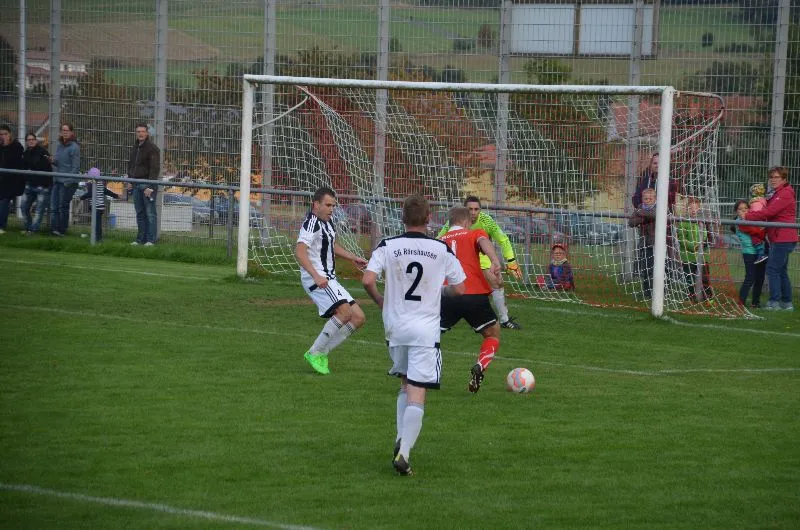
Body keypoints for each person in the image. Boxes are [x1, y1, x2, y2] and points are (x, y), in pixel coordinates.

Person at [363, 194, 466, 476]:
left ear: (403, 218)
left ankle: (401, 438)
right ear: (429, 218)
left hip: (395, 327)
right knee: (418, 390)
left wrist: (381, 300)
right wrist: (439, 291)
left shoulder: (388, 245)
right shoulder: (440, 248)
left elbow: (368, 280)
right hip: (425, 330)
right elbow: (460, 288)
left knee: (404, 382)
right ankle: (405, 453)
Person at [296, 186, 368, 375]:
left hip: (330, 278)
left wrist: (353, 258)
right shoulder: (311, 223)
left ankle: (321, 351)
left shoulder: (327, 223)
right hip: (317, 277)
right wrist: (316, 275)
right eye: (328, 205)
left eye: (333, 206)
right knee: (344, 312)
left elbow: (332, 245)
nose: (331, 209)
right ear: (316, 205)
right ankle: (315, 352)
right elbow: (300, 251)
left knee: (358, 318)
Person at [438, 206, 503, 394]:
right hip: (474, 293)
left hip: (447, 294)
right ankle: (480, 366)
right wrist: (494, 260)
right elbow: (484, 241)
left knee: (429, 336)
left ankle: (424, 374)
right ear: (466, 222)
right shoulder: (474, 233)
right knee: (492, 334)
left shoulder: (439, 241)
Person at [437, 196, 523, 330]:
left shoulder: (486, 220)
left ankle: (504, 319)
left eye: (476, 209)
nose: (473, 212)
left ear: (480, 210)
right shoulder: (455, 222)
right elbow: (439, 239)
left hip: (482, 255)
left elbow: (503, 239)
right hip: (460, 257)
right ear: (464, 210)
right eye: (470, 209)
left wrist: (511, 261)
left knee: (498, 283)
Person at [745, 166, 797, 311]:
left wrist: (748, 216)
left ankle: (774, 302)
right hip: (779, 237)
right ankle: (786, 303)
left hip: (783, 237)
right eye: (771, 177)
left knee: (773, 269)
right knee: (781, 270)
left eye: (777, 177)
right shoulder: (777, 193)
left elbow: (769, 212)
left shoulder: (785, 193)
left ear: (784, 179)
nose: (773, 180)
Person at [127, 123, 160, 246]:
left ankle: (151, 240)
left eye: (142, 131)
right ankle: (140, 240)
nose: (140, 134)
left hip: (147, 185)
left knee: (150, 214)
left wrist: (150, 186)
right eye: (138, 131)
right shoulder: (135, 147)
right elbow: (131, 165)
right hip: (135, 184)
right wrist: (130, 181)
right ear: (136, 133)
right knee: (140, 213)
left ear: (147, 133)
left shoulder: (152, 148)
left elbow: (154, 169)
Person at [675, 196, 714, 302]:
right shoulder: (683, 221)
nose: (693, 210)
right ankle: (692, 295)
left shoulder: (702, 221)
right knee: (689, 277)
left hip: (702, 255)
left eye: (695, 208)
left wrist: (701, 244)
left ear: (699, 209)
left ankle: (708, 296)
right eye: (691, 208)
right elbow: (681, 238)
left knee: (704, 277)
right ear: (687, 209)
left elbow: (706, 235)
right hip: (688, 256)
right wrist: (693, 246)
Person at [731, 200, 767, 309]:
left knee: (760, 278)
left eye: (746, 208)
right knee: (750, 278)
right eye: (740, 209)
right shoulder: (740, 222)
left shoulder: (751, 219)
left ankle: (755, 303)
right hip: (749, 253)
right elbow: (756, 232)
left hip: (760, 252)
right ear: (736, 211)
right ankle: (741, 302)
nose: (743, 211)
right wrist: (763, 229)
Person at [49, 122, 81, 236]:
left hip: (68, 182)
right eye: (63, 130)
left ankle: (62, 230)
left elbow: (75, 167)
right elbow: (59, 163)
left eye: (67, 130)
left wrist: (68, 181)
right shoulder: (59, 145)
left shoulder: (74, 147)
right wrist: (53, 161)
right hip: (57, 180)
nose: (65, 132)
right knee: (54, 206)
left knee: (63, 206)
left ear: (71, 132)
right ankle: (54, 229)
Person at [20, 133, 53, 235]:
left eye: (32, 139)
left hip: (42, 186)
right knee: (23, 207)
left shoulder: (43, 152)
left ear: (36, 140)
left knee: (39, 210)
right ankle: (28, 228)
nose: (31, 141)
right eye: (28, 140)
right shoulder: (25, 153)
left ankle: (33, 230)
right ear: (26, 142)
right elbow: (24, 168)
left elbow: (43, 166)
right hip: (30, 185)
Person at [628, 187, 657, 299]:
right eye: (645, 199)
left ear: (655, 199)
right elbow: (631, 222)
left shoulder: (659, 207)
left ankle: (658, 291)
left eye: (650, 199)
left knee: (655, 269)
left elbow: (654, 215)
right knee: (645, 269)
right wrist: (643, 218)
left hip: (657, 243)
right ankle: (647, 293)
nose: (648, 201)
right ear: (642, 199)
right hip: (644, 242)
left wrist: (641, 214)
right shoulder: (639, 207)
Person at [80, 167, 120, 242]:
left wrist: (82, 197)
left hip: (96, 207)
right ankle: (97, 236)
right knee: (97, 223)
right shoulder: (100, 184)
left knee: (96, 223)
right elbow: (107, 191)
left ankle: (98, 238)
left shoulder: (91, 184)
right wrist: (116, 196)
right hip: (100, 207)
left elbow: (90, 193)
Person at [0, 125, 25, 234]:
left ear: (9, 134)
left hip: (11, 180)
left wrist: (6, 147)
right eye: (1, 134)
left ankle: (1, 226)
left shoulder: (16, 146)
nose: (3, 136)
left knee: (4, 202)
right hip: (2, 178)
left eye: (5, 134)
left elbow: (14, 162)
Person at [747, 183, 769, 264]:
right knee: (762, 238)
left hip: (758, 225)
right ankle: (766, 251)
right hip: (762, 224)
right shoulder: (763, 201)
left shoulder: (756, 203)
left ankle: (761, 254)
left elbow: (757, 214)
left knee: (755, 237)